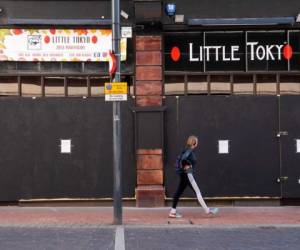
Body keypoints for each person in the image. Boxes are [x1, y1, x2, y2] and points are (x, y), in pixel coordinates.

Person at [169, 135, 219, 218]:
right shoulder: (189, 151)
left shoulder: (186, 149)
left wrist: (187, 166)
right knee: (198, 191)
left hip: (183, 174)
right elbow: (183, 160)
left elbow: (182, 159)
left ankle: (172, 212)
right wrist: (187, 167)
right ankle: (207, 210)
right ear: (194, 143)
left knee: (178, 192)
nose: (197, 143)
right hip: (188, 174)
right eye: (197, 141)